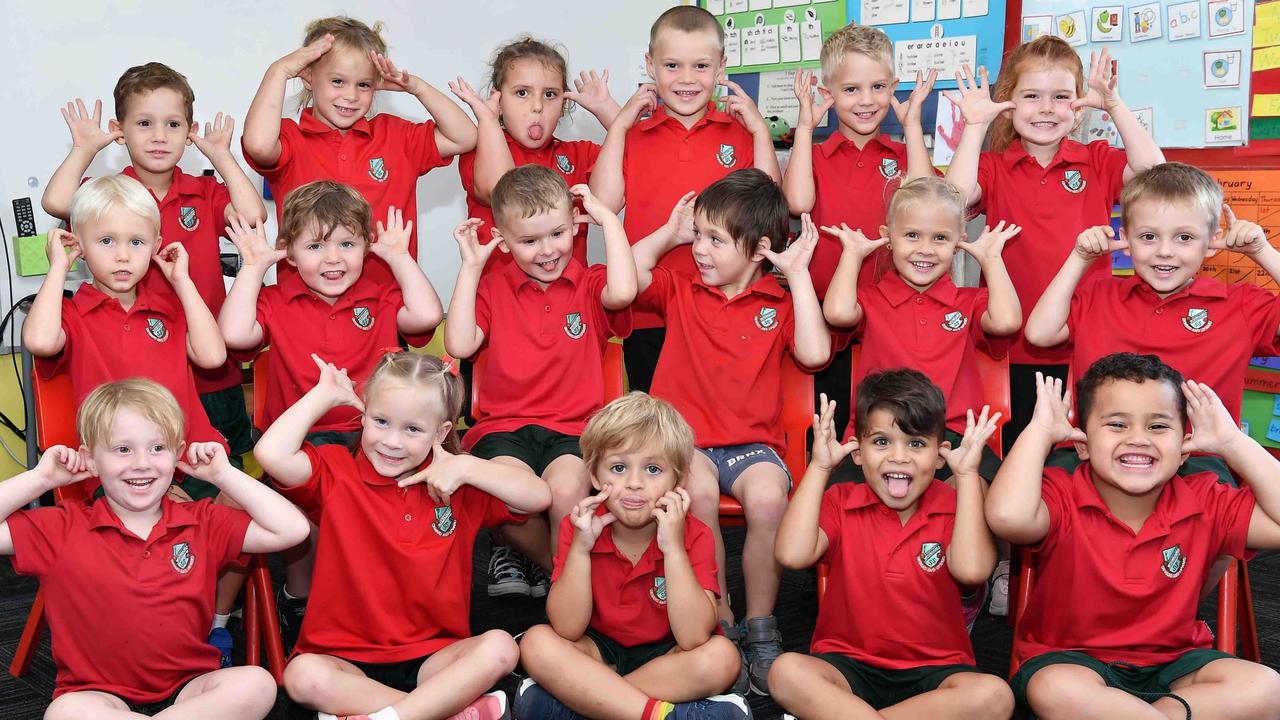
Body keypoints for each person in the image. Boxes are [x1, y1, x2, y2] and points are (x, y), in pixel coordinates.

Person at [256, 352, 551, 720]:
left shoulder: (457, 483)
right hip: (343, 658)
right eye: (380, 421)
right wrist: (324, 394)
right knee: (302, 677)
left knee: (502, 648)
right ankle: (437, 710)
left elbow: (539, 496)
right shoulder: (335, 471)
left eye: (413, 429)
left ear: (441, 433)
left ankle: (392, 715)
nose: (392, 442)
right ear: (362, 417)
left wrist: (467, 465)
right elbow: (269, 452)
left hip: (434, 657)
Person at [987, 354, 1280, 718]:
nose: (1138, 439)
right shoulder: (1060, 493)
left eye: (1158, 427)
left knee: (1267, 687)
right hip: (1075, 664)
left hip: (1176, 665)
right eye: (1117, 425)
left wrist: (1232, 442)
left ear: (1186, 446)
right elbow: (1006, 517)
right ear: (1082, 444)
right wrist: (1040, 432)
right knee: (1056, 688)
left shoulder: (1206, 499)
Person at [632, 169, 831, 694]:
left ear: (759, 248)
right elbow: (623, 278)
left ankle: (761, 623)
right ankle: (716, 611)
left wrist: (799, 275)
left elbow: (815, 354)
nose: (699, 248)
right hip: (685, 444)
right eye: (697, 235)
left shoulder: (779, 302)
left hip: (751, 447)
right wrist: (666, 235)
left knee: (769, 501)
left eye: (714, 239)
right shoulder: (681, 289)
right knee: (693, 490)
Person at [2, 378, 308, 719]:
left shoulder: (202, 521)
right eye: (122, 449)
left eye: (157, 448)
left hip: (189, 690)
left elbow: (291, 529)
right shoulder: (61, 527)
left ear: (177, 454)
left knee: (257, 684)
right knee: (64, 713)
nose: (142, 463)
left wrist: (224, 475)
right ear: (90, 460)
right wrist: (41, 479)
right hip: (98, 695)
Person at [445, 165, 635, 599]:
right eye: (528, 241)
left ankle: (563, 599)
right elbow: (459, 343)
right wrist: (472, 267)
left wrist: (609, 221)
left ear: (574, 225)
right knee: (510, 497)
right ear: (504, 242)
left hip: (572, 430)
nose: (547, 251)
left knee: (565, 490)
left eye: (557, 234)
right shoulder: (492, 287)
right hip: (502, 431)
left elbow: (623, 293)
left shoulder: (589, 283)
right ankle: (569, 581)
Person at [770, 380, 1012, 720]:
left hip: (936, 671)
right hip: (847, 667)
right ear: (857, 452)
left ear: (941, 453)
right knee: (786, 671)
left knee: (995, 696)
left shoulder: (957, 505)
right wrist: (819, 467)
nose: (899, 457)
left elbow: (973, 571)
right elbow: (792, 554)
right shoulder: (841, 502)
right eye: (882, 441)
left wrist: (969, 475)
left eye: (916, 443)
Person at [516, 392, 749, 720]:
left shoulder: (694, 533)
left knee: (723, 658)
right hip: (598, 648)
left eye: (653, 469)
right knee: (536, 643)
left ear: (678, 480)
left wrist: (673, 550)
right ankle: (656, 714)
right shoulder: (580, 527)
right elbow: (567, 628)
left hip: (669, 653)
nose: (635, 483)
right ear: (595, 477)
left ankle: (591, 702)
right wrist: (582, 549)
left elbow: (694, 636)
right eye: (619, 467)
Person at [590, 5, 781, 393]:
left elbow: (768, 205)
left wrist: (760, 131)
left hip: (725, 308)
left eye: (701, 66)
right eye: (673, 66)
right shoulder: (634, 135)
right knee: (656, 428)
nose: (687, 79)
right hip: (648, 312)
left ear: (721, 67)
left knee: (718, 421)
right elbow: (603, 204)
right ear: (650, 65)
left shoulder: (739, 132)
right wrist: (622, 125)